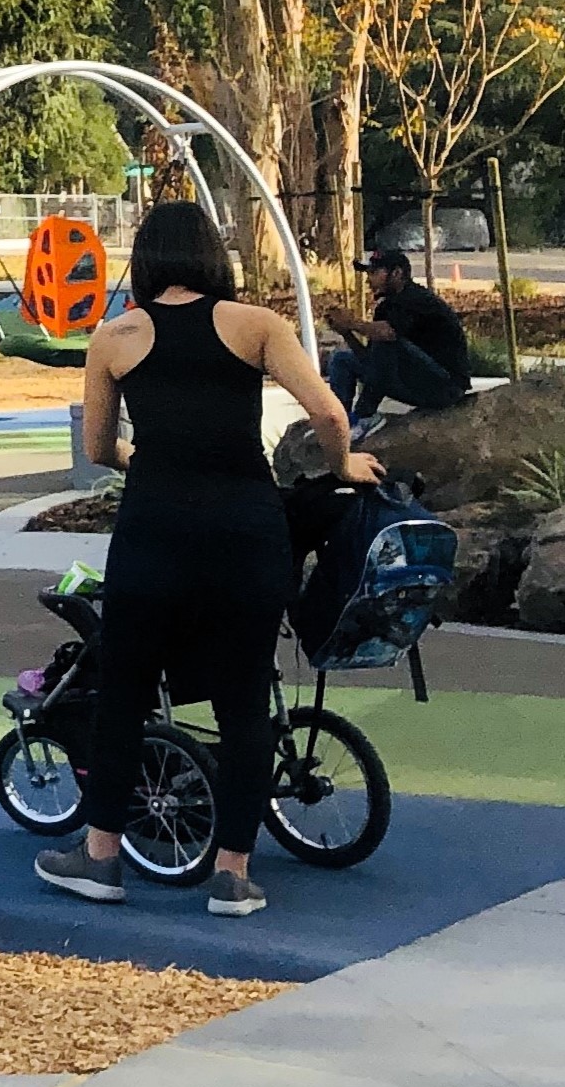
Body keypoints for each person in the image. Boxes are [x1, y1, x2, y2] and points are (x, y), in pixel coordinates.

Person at [40, 202, 378, 919]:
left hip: (154, 532)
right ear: (212, 258)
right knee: (243, 701)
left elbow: (99, 448)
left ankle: (100, 858)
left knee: (125, 694)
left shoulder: (116, 336)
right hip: (245, 533)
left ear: (147, 259)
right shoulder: (257, 325)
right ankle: (233, 873)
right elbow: (330, 415)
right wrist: (344, 465)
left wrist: (152, 458)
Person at [325, 246, 473, 426]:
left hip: (445, 386)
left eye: (374, 273)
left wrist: (353, 323)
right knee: (342, 359)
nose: (368, 280)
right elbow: (373, 362)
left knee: (387, 341)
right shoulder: (385, 308)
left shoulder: (417, 299)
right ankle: (340, 422)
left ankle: (364, 416)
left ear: (396, 273)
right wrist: (346, 333)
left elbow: (388, 335)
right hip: (414, 380)